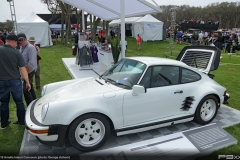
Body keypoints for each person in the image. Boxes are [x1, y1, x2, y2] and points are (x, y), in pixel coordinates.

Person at [0, 34, 31, 129]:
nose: (17, 45)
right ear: (13, 42)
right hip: (15, 81)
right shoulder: (17, 53)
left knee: (4, 102)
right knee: (19, 102)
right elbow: (23, 69)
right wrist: (28, 82)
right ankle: (22, 121)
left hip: (1, 81)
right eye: (16, 43)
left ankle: (4, 123)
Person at [18, 33, 37, 106]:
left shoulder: (30, 48)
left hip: (30, 70)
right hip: (25, 70)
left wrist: (24, 74)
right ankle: (35, 103)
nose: (21, 42)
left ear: (26, 39)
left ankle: (30, 106)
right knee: (30, 87)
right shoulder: (22, 47)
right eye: (19, 40)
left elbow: (31, 63)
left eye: (22, 40)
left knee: (26, 89)